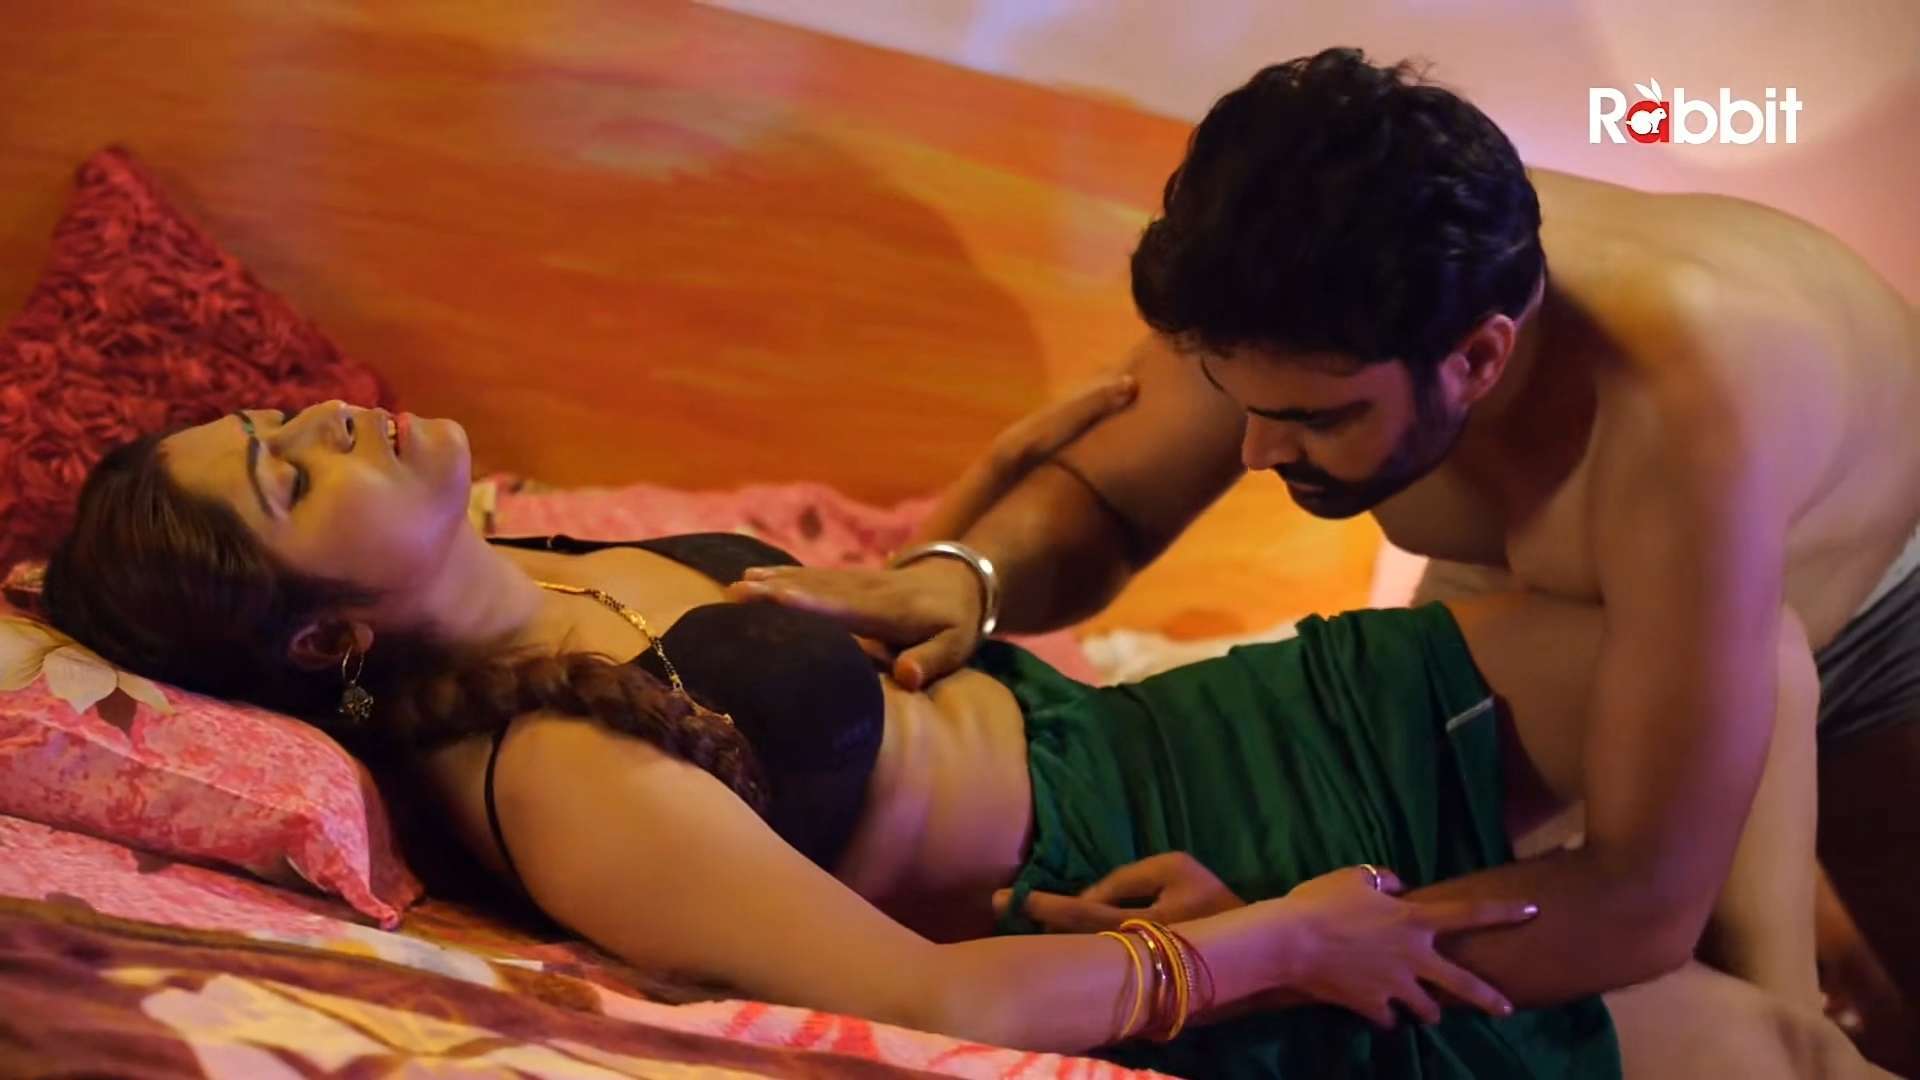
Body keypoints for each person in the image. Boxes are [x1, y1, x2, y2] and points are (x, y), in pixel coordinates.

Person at [38, 400, 1880, 1078]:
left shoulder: (541, 559)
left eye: (283, 414)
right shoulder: (554, 778)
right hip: (1203, 875)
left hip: (1172, 724)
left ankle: (1767, 974)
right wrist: (1278, 947)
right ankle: (1773, 1004)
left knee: (1737, 651)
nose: (333, 425)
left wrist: (968, 551)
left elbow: (852, 671)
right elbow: (933, 1003)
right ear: (329, 637)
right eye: (291, 476)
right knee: (1769, 1053)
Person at [732, 47, 1920, 1041]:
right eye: (1238, 402)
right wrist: (967, 577)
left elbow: (1640, 899)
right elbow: (1109, 503)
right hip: (1589, 605)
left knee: (1763, 1008)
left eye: (1315, 420)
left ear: (1479, 359)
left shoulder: (1685, 397)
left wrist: (1258, 955)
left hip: (1879, 608)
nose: (1254, 451)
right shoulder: (1302, 283)